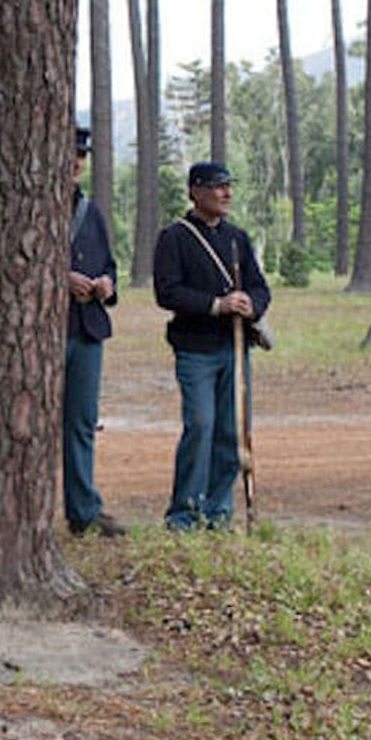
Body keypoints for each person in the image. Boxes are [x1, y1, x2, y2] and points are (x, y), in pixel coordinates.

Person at [151, 162, 271, 531]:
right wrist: (216, 305)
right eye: (217, 187)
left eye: (227, 186)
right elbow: (168, 292)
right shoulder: (174, 237)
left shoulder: (238, 238)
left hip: (235, 349)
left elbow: (259, 287)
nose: (225, 194)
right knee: (200, 426)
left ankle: (218, 512)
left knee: (231, 432)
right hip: (195, 349)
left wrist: (251, 303)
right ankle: (184, 513)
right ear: (195, 192)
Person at [63, 126, 125, 539]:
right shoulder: (31, 209)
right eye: (72, 156)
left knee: (81, 423)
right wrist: (59, 278)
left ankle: (83, 508)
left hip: (87, 329)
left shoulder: (92, 212)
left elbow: (111, 267)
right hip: (49, 330)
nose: (78, 163)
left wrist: (106, 283)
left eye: (81, 157)